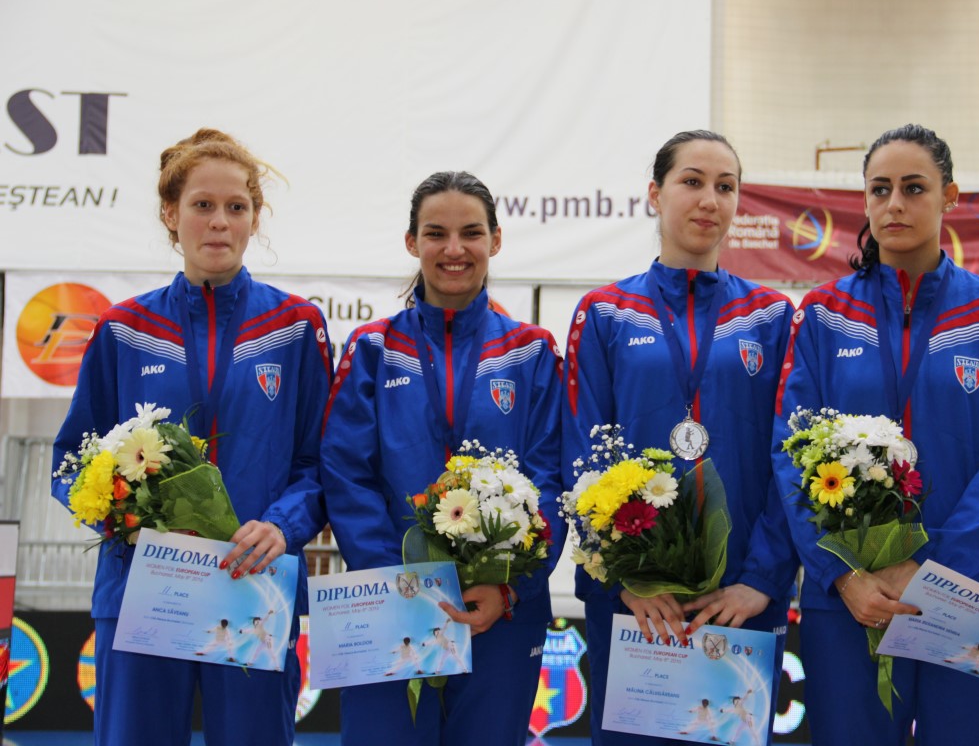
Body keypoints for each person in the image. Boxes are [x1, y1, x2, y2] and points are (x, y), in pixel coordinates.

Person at [771, 124, 979, 744]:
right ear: (865, 200)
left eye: (914, 188)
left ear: (950, 195)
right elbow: (789, 453)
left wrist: (932, 566)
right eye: (880, 189)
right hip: (855, 601)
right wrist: (843, 573)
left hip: (977, 592)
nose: (894, 203)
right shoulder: (824, 315)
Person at [50, 128, 334, 745]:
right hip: (143, 588)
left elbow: (320, 462)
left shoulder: (295, 326)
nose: (219, 222)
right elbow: (71, 461)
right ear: (170, 214)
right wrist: (127, 517)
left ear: (255, 217)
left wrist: (281, 526)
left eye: (237, 207)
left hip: (254, 584)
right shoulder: (124, 328)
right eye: (202, 205)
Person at [562, 130, 799, 745]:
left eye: (726, 186)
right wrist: (623, 577)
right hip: (635, 603)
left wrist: (763, 578)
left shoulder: (771, 316)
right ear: (655, 194)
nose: (709, 200)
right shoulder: (605, 313)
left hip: (741, 598)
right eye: (692, 181)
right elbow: (581, 453)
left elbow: (789, 460)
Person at [321, 171, 564, 745]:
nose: (454, 249)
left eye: (471, 233)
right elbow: (346, 472)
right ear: (412, 242)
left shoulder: (531, 351)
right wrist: (401, 580)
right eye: (436, 233)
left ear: (495, 240)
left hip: (500, 610)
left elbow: (552, 477)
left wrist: (510, 587)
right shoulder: (373, 348)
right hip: (390, 599)